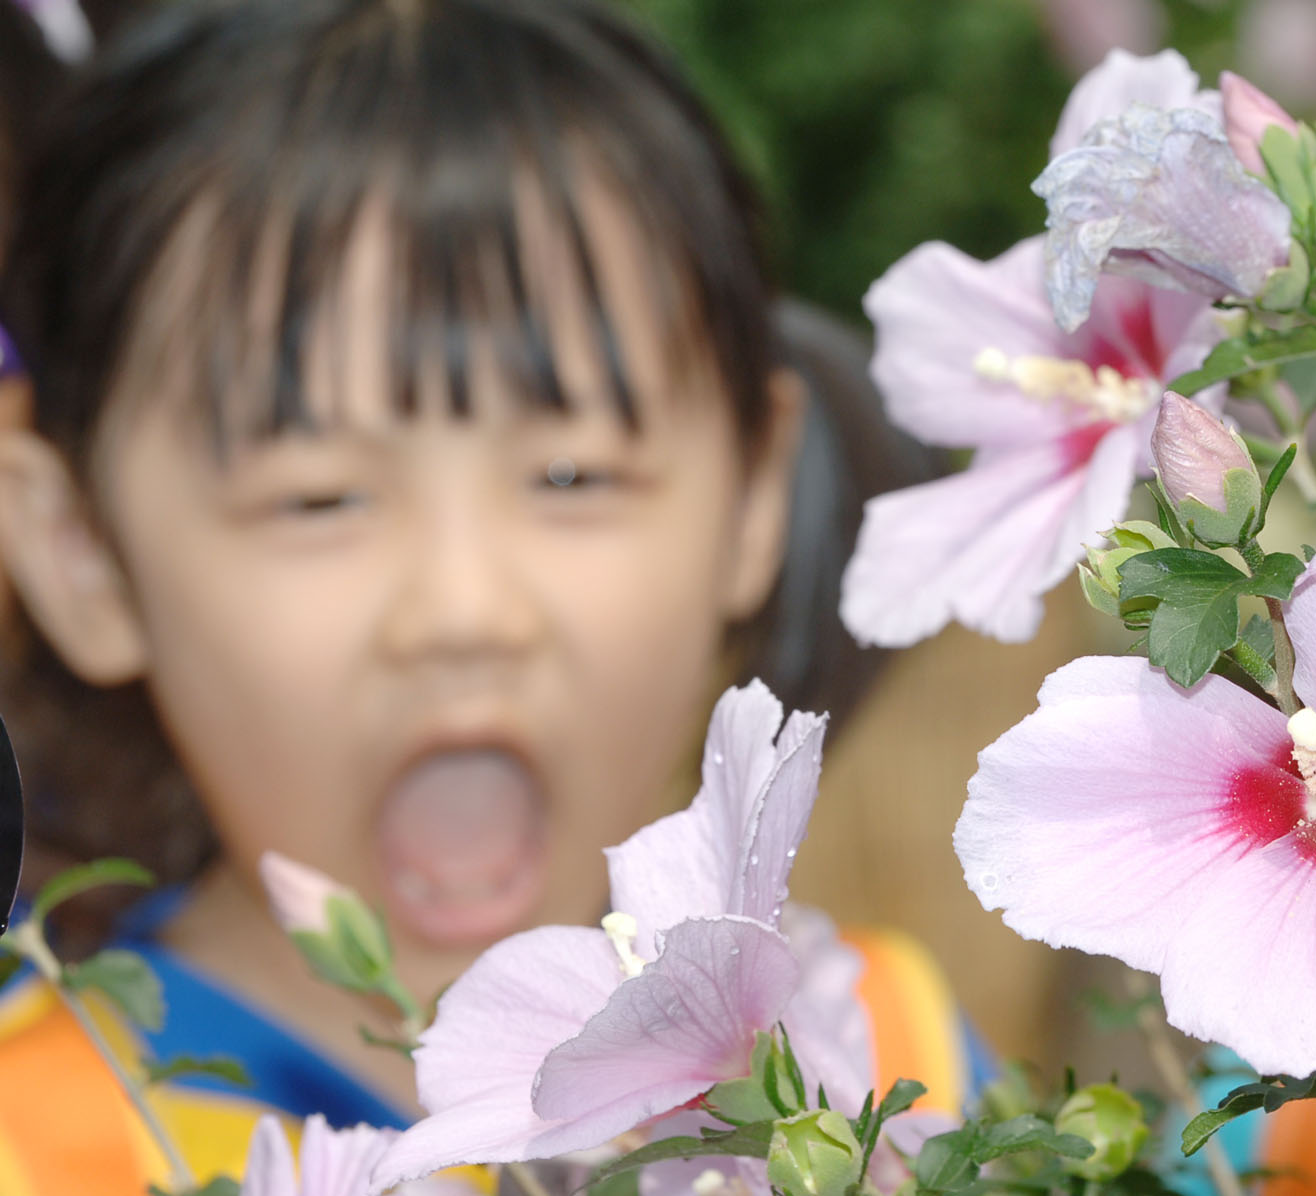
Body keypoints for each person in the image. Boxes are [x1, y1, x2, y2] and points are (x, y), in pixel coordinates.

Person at [0, 2, 972, 1190]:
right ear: (77, 546)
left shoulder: (880, 1054)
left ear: (753, 494)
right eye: (319, 497)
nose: (464, 609)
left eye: (571, 474)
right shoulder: (36, 1139)